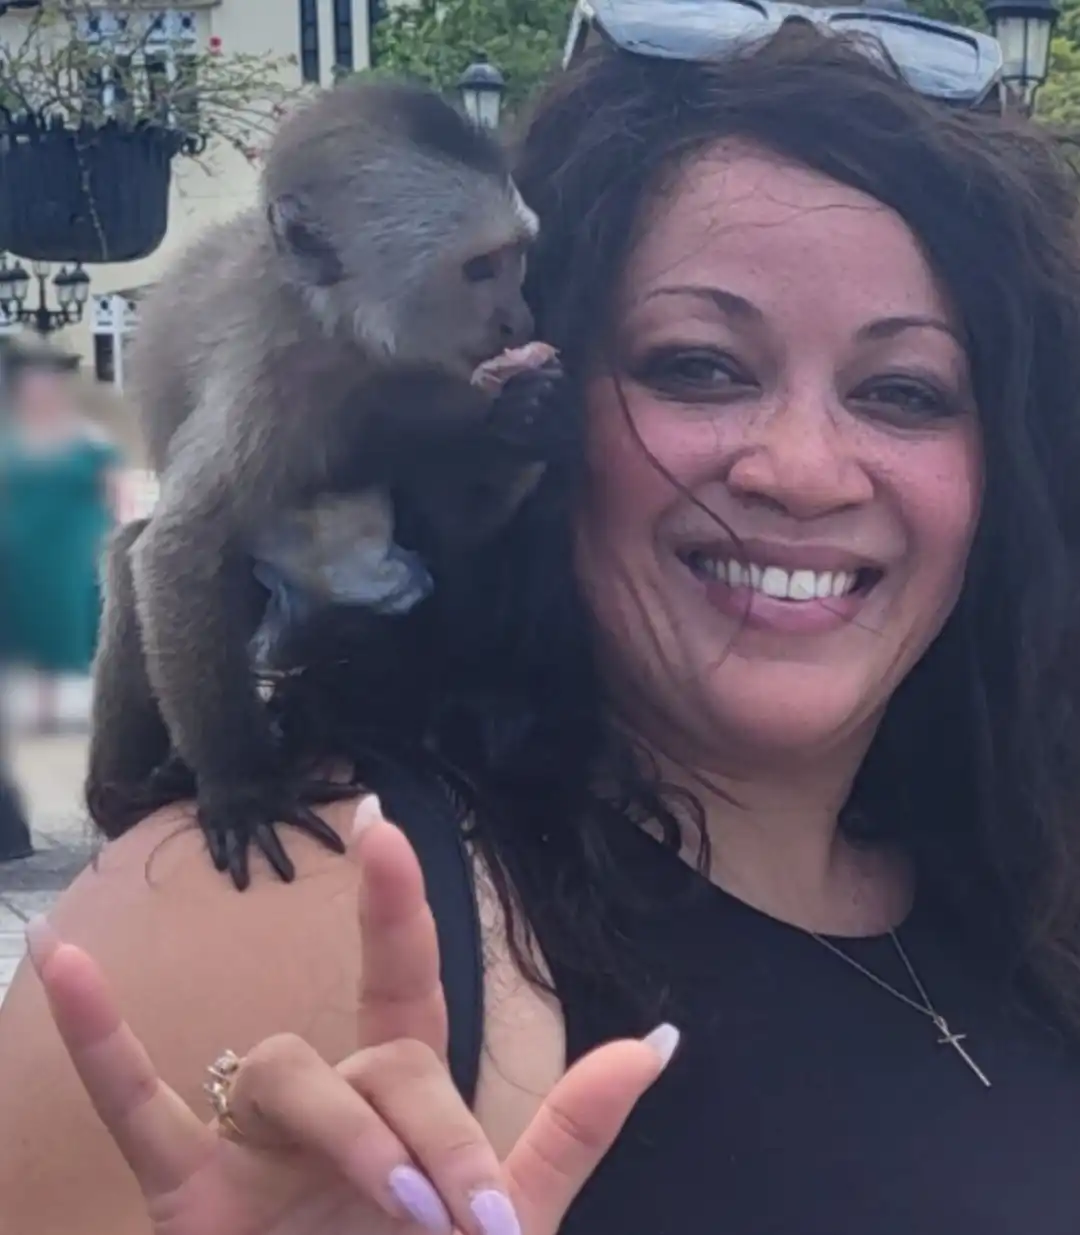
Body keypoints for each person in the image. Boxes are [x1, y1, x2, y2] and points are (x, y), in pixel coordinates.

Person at [3, 17, 1080, 1235]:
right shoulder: (290, 916)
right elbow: (189, 552)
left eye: (904, 390)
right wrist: (222, 772)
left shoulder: (1018, 868)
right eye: (699, 367)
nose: (805, 469)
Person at [0, 346, 123, 731]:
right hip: (21, 547)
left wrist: (114, 539)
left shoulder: (89, 439)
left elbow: (115, 492)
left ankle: (85, 709)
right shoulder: (10, 437)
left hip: (74, 547)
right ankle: (35, 708)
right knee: (26, 626)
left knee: (71, 624)